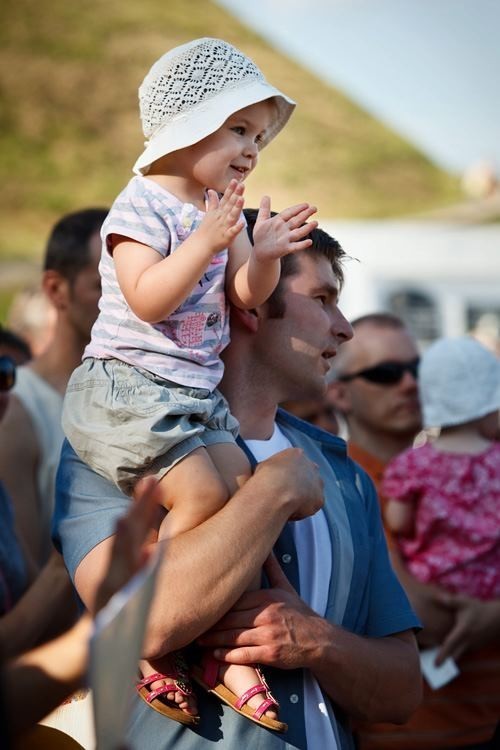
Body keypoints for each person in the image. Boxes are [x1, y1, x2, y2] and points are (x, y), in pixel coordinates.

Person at [53, 221, 422, 749]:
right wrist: (272, 493)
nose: (344, 328)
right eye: (322, 298)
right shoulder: (112, 446)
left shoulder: (344, 475)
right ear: (247, 303)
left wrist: (318, 642)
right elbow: (146, 624)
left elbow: (403, 691)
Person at [61, 37, 317, 728]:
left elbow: (243, 295)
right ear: (185, 127)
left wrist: (258, 255)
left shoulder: (219, 204)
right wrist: (205, 240)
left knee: (241, 491)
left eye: (259, 136)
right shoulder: (140, 205)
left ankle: (205, 643)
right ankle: (151, 635)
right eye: (239, 127)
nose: (252, 148)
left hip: (194, 398)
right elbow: (147, 298)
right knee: (204, 493)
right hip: (131, 389)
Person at [328, 315, 500, 750]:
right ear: (339, 393)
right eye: (385, 374)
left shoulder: (470, 469)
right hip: (404, 736)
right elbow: (424, 616)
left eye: (417, 370)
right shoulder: (338, 481)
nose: (409, 384)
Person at [0, 208, 106, 573]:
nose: (125, 301)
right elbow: (25, 581)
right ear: (56, 289)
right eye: (104, 284)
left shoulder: (145, 394)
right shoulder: (16, 407)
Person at [384, 335, 500, 601]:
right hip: (491, 589)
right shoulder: (496, 461)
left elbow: (398, 522)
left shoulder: (412, 464)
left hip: (433, 587)